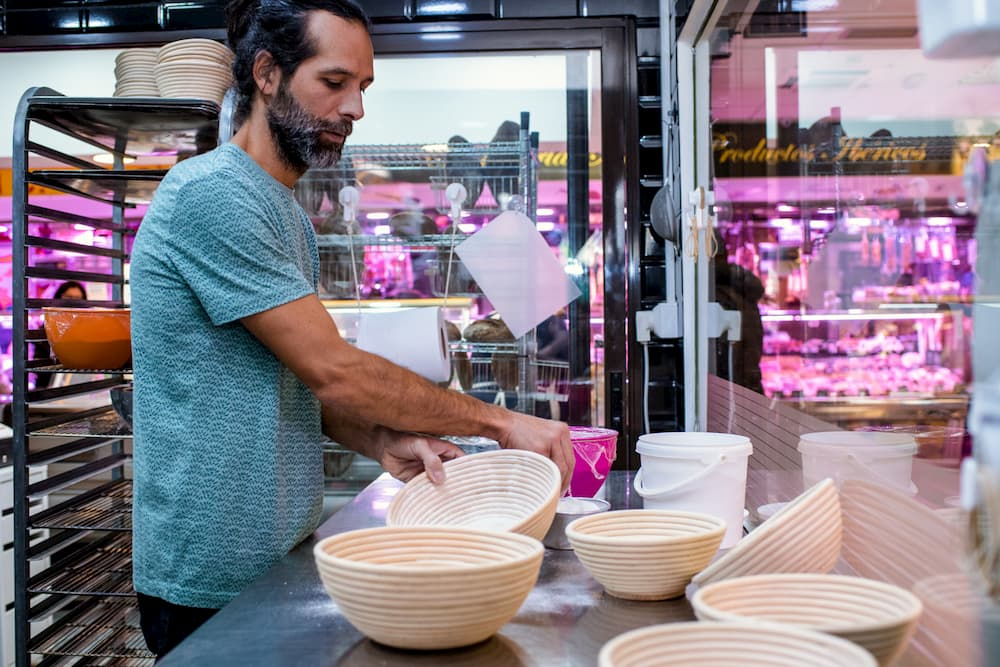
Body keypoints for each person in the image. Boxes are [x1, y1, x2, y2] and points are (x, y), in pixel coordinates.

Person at [128, 0, 573, 659]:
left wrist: (381, 436)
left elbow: (295, 379)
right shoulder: (212, 194)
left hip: (277, 557)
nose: (356, 108)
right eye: (335, 83)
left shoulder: (288, 215)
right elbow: (335, 368)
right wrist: (501, 423)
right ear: (268, 73)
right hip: (209, 582)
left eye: (362, 88)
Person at [33, 281, 87, 389]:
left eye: (78, 299)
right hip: (48, 388)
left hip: (79, 387)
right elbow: (40, 362)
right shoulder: (49, 326)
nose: (74, 303)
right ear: (59, 298)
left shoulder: (86, 328)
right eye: (69, 298)